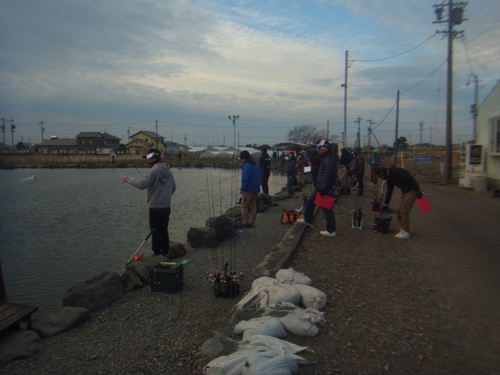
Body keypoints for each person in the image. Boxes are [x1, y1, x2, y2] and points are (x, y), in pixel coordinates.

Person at [122, 148, 176, 257]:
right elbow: (173, 187)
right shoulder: (168, 170)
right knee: (163, 230)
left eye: (148, 158)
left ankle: (156, 255)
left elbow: (142, 184)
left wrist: (128, 179)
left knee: (155, 231)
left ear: (154, 158)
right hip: (166, 206)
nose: (147, 161)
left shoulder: (154, 170)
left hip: (155, 206)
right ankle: (165, 252)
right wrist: (164, 196)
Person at [296, 140, 338, 237]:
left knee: (327, 209)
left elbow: (327, 176)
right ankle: (307, 219)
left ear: (325, 149)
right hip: (321, 187)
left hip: (325, 188)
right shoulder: (326, 159)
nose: (318, 150)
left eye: (320, 148)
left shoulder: (328, 161)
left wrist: (323, 189)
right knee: (311, 200)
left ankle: (331, 230)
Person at [376, 166, 423, 240]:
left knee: (404, 211)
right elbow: (389, 191)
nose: (381, 178)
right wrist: (386, 204)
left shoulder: (395, 171)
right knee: (398, 210)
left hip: (412, 191)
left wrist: (418, 190)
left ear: (382, 173)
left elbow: (410, 178)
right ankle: (403, 228)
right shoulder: (389, 178)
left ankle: (406, 231)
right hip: (404, 192)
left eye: (380, 176)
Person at [238, 150, 261, 228]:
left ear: (244, 158)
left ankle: (245, 222)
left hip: (249, 189)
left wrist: (242, 189)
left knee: (243, 205)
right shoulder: (255, 165)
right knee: (253, 205)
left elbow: (245, 178)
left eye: (241, 158)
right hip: (256, 188)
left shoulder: (247, 166)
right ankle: (252, 223)